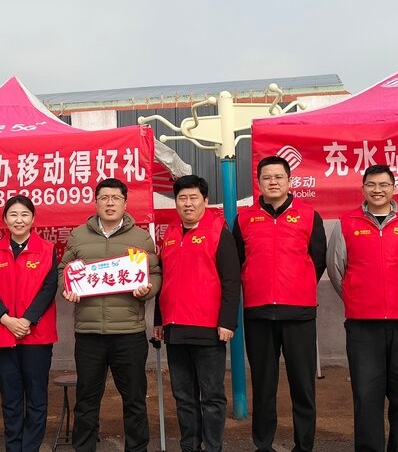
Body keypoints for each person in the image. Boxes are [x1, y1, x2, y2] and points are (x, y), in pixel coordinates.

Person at [59, 177, 161, 452]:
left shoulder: (140, 237)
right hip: (89, 333)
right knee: (86, 401)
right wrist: (68, 288)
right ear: (96, 202)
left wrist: (147, 290)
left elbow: (154, 273)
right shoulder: (79, 235)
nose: (110, 203)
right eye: (104, 198)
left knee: (135, 400)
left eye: (116, 198)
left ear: (125, 203)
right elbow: (64, 270)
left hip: (129, 333)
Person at [234, 155, 327, 452]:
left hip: (299, 312)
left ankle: (304, 446)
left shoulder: (309, 216)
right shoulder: (244, 219)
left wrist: (297, 285)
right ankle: (263, 444)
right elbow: (237, 261)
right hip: (258, 312)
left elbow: (318, 260)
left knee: (303, 385)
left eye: (278, 177)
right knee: (263, 385)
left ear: (289, 181)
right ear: (259, 182)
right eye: (267, 177)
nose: (273, 182)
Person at [327, 165, 398, 451]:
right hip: (362, 325)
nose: (377, 190)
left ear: (394, 188)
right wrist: (357, 297)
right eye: (371, 185)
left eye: (383, 185)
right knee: (366, 394)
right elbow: (336, 269)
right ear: (363, 188)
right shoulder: (346, 222)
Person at [153, 175, 241, 452]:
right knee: (183, 396)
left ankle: (213, 447)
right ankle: (190, 446)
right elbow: (164, 280)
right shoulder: (169, 234)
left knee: (212, 396)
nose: (188, 203)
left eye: (193, 198)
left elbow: (231, 280)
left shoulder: (218, 231)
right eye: (182, 198)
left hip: (208, 328)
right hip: (175, 328)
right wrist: (158, 321)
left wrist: (227, 322)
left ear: (205, 200)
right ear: (176, 202)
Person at [0, 196, 58, 452]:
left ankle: (30, 448)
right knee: (11, 398)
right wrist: (6, 319)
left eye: (24, 214)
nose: (19, 220)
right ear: (4, 219)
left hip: (36, 334)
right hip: (3, 333)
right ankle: (13, 447)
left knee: (36, 398)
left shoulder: (47, 249)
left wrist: (26, 320)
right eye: (13, 215)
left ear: (33, 219)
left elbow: (49, 288)